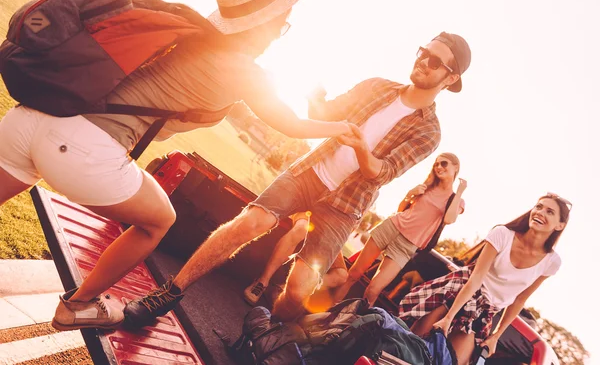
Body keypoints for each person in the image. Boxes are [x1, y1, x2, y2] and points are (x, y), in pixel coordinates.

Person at [0, 0, 355, 331]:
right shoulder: (245, 71)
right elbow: (292, 124)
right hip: (82, 148)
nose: (282, 32)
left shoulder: (182, 31)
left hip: (29, 119)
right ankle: (78, 305)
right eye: (284, 23)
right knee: (159, 221)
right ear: (266, 24)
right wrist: (340, 127)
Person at [123, 30, 473, 327]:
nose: (422, 61)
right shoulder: (377, 86)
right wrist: (314, 93)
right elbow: (322, 113)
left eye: (434, 61)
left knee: (298, 290)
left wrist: (362, 146)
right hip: (309, 173)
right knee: (250, 222)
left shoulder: (429, 130)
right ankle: (168, 293)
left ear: (451, 78)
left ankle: (262, 336)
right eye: (423, 52)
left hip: (345, 207)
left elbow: (380, 173)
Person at [398, 194, 570, 365]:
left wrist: (496, 336)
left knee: (454, 361)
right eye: (538, 207)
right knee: (412, 347)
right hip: (460, 293)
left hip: (485, 312)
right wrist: (448, 317)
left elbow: (520, 299)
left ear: (560, 225)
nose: (540, 212)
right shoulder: (503, 234)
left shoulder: (551, 262)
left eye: (549, 211)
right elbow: (476, 277)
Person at [332, 153, 466, 306]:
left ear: (455, 167)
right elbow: (402, 209)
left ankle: (348, 324)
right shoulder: (426, 186)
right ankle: (326, 313)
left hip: (406, 245)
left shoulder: (457, 200)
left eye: (443, 163)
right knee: (354, 274)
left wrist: (460, 191)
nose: (438, 167)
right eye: (436, 164)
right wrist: (410, 194)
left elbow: (449, 219)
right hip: (391, 227)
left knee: (373, 290)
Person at [243, 212, 348, 307]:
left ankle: (283, 290)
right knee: (302, 229)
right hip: (309, 211)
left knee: (341, 275)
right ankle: (262, 281)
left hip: (331, 229)